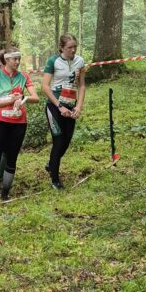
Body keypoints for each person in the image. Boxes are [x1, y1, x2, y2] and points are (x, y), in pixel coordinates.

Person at [0, 48, 39, 202]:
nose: (17, 61)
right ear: (6, 60)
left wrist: (24, 99)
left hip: (19, 122)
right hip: (0, 121)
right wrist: (9, 100)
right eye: (14, 59)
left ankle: (5, 194)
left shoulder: (24, 77)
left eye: (19, 58)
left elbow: (36, 97)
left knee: (12, 158)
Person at [41, 34, 86, 190]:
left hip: (71, 105)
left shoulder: (80, 61)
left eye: (75, 47)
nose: (73, 50)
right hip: (54, 106)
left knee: (66, 142)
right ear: (61, 48)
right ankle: (55, 179)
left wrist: (78, 107)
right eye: (69, 47)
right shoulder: (53, 61)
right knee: (58, 141)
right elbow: (45, 87)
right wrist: (60, 106)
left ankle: (51, 164)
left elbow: (82, 86)